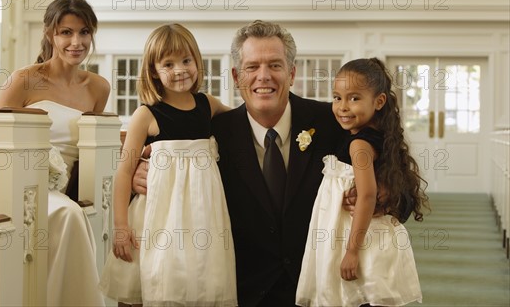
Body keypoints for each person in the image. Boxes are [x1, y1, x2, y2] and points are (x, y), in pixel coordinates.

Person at [132, 20, 346, 306]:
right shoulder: (211, 134)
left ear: (292, 73)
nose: (263, 76)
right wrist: (140, 177)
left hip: (320, 290)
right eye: (252, 67)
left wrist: (384, 196)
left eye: (275, 65)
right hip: (242, 293)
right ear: (235, 76)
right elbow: (168, 174)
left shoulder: (331, 122)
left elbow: (395, 179)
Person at [0, 0, 109, 306]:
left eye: (84, 32)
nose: (76, 41)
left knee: (71, 211)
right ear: (50, 34)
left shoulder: (98, 87)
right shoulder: (25, 80)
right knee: (69, 214)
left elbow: (93, 147)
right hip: (18, 184)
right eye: (66, 32)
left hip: (62, 188)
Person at [98, 23, 236, 307]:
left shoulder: (206, 104)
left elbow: (241, 119)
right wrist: (120, 226)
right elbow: (124, 171)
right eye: (168, 64)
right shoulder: (146, 115)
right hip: (156, 214)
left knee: (197, 282)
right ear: (153, 71)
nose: (180, 70)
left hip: (202, 215)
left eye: (186, 60)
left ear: (197, 61)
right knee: (149, 279)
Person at [296, 57, 429, 307]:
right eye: (337, 97)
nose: (343, 107)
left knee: (357, 296)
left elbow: (367, 195)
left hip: (358, 238)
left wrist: (351, 251)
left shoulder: (359, 144)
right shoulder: (376, 136)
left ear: (378, 101)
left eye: (354, 98)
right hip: (365, 233)